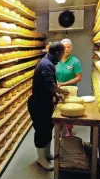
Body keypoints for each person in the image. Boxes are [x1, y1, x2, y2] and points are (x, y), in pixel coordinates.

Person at [28, 42, 69, 171]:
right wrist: (61, 91)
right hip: (39, 105)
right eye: (62, 54)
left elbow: (49, 86)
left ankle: (46, 154)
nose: (62, 57)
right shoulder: (47, 65)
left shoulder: (48, 62)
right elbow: (49, 84)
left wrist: (56, 95)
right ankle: (41, 159)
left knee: (47, 129)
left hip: (44, 103)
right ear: (57, 53)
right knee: (41, 131)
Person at [56, 38, 82, 137]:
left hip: (70, 91)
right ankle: (59, 128)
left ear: (71, 48)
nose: (66, 49)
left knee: (70, 111)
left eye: (68, 47)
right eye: (64, 47)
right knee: (58, 109)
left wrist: (64, 83)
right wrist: (57, 83)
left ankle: (69, 130)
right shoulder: (56, 60)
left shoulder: (75, 61)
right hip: (58, 88)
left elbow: (79, 78)